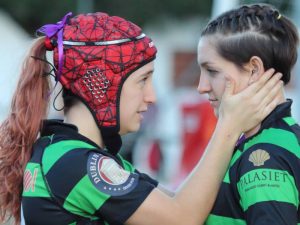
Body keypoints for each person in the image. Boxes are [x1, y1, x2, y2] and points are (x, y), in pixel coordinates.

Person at [0, 12, 282, 225]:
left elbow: (182, 200)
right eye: (143, 80)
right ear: (101, 85)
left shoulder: (65, 153)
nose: (151, 96)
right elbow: (182, 217)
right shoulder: (76, 164)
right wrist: (229, 127)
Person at [197, 3, 300, 225]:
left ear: (254, 69)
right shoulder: (284, 138)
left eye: (212, 71)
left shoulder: (264, 155)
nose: (201, 86)